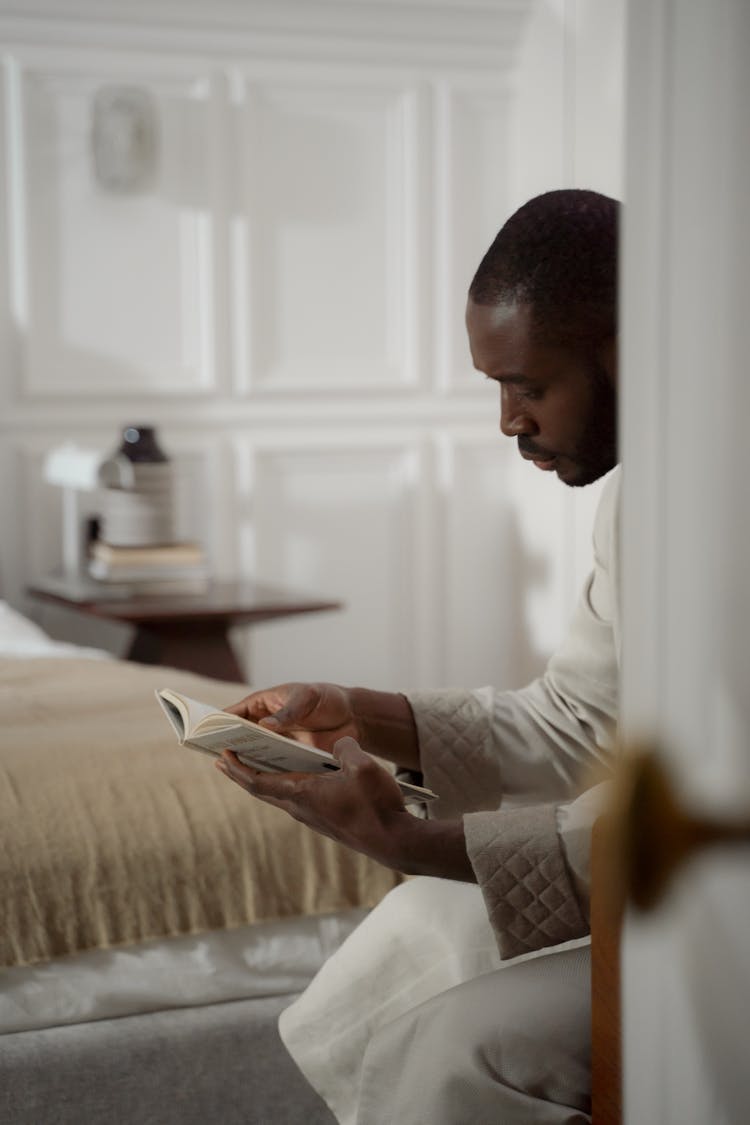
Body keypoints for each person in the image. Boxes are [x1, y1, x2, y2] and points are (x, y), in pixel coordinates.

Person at [215, 189, 621, 1124]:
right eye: (499, 390)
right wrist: (359, 708)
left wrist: (411, 841)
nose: (508, 422)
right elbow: (582, 719)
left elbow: (695, 809)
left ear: (621, 349)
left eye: (529, 385)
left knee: (455, 1041)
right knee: (413, 932)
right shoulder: (638, 501)